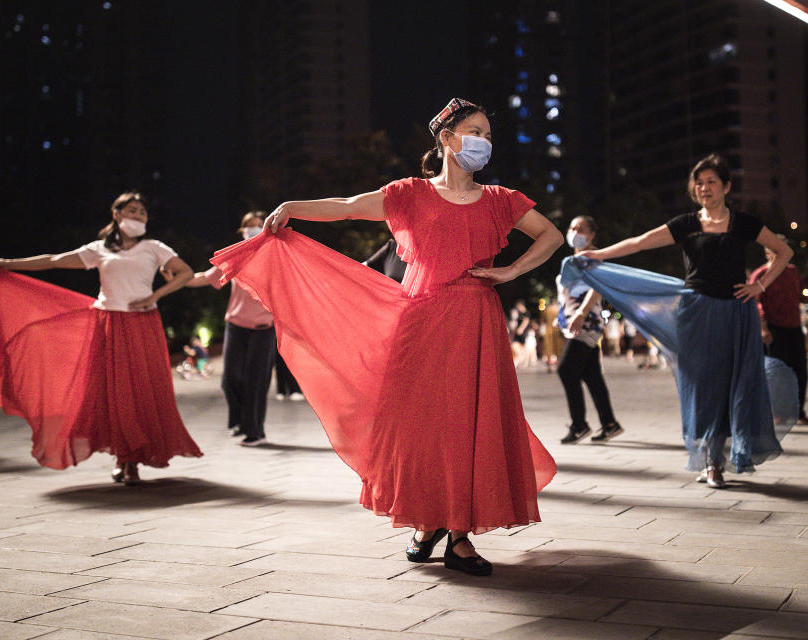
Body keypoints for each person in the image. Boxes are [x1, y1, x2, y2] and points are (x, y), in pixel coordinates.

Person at [210, 98, 561, 576]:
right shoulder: (410, 193)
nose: (485, 141)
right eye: (475, 131)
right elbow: (351, 208)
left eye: (489, 134)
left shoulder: (501, 199)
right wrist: (293, 207)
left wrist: (511, 270)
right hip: (419, 318)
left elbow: (551, 236)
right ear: (446, 138)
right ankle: (426, 520)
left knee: (467, 421)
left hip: (477, 318)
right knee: (419, 424)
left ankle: (460, 536)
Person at [578, 154, 793, 488]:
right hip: (697, 315)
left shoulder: (745, 223)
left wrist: (759, 286)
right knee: (705, 388)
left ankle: (722, 455)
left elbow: (784, 252)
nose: (704, 188)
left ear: (727, 187)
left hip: (737, 313)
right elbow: (640, 242)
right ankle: (711, 461)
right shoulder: (687, 223)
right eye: (700, 183)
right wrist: (600, 255)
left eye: (711, 182)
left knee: (735, 387)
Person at [0, 192, 203, 484]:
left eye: (143, 213)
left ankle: (132, 459)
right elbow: (55, 261)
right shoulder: (100, 249)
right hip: (108, 323)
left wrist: (155, 296)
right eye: (132, 211)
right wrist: (8, 263)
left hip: (144, 325)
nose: (139, 216)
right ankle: (125, 458)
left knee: (141, 390)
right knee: (113, 393)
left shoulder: (154, 248)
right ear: (117, 215)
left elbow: (184, 273)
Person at [184, 211, 276, 445]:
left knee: (256, 381)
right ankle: (239, 420)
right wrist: (178, 280)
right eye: (249, 226)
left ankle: (255, 431)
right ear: (242, 230)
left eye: (258, 225)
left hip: (264, 327)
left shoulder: (275, 254)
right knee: (230, 379)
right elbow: (206, 277)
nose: (253, 229)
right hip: (236, 324)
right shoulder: (238, 254)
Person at [558, 215, 623, 445]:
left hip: (586, 323)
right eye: (572, 227)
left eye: (581, 228)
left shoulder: (593, 258)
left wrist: (581, 313)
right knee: (592, 376)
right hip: (577, 322)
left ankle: (579, 425)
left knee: (566, 370)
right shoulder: (576, 259)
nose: (575, 232)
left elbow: (597, 286)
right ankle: (610, 423)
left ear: (592, 234)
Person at [749, 237, 808, 424]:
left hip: (794, 327)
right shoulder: (760, 274)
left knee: (800, 370)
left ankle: (798, 410)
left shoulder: (792, 272)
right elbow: (754, 302)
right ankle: (777, 411)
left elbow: (800, 295)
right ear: (767, 252)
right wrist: (763, 328)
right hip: (773, 329)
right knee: (776, 372)